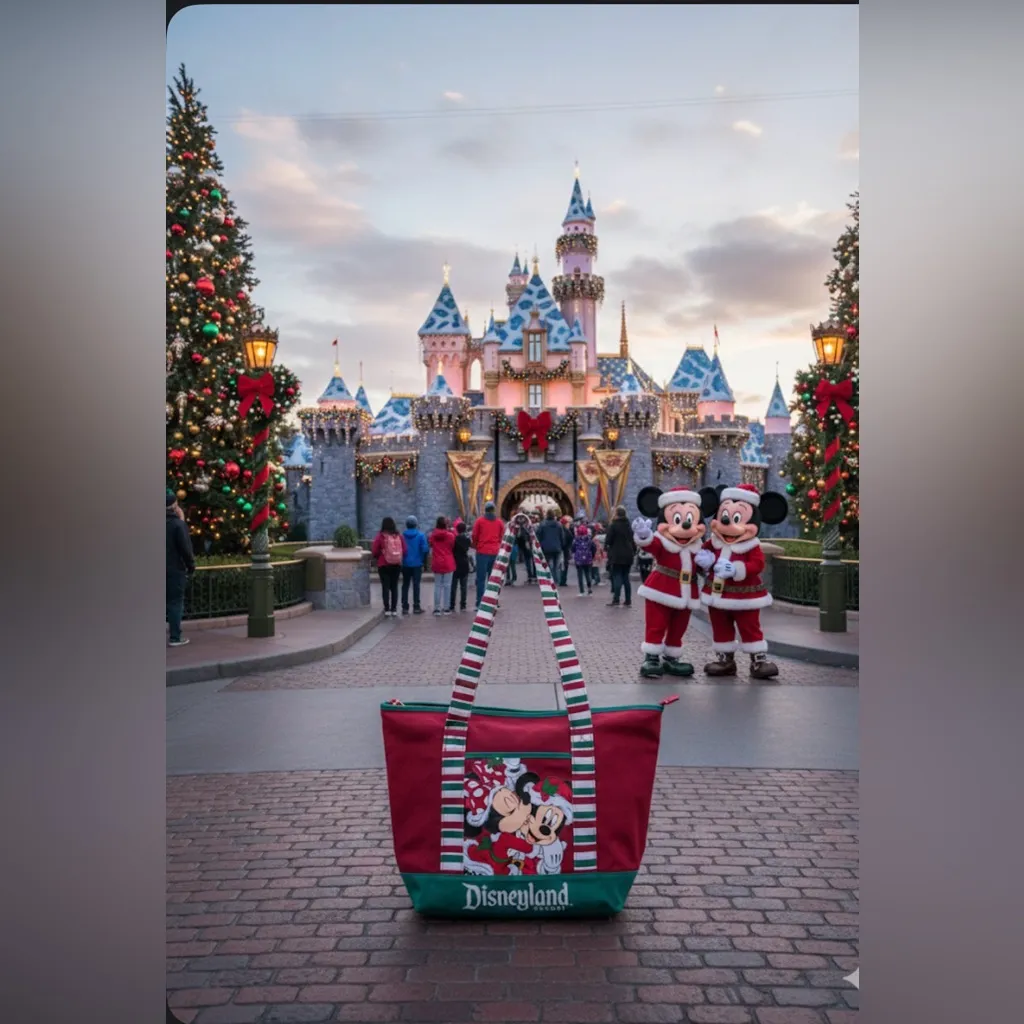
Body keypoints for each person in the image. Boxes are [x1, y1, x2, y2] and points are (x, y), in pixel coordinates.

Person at [166, 490, 195, 647]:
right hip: (174, 570)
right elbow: (185, 549)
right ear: (174, 507)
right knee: (175, 603)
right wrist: (191, 566)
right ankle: (175, 637)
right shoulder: (177, 525)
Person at [371, 516, 406, 617]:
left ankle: (387, 609)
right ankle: (394, 609)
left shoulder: (381, 536)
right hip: (396, 564)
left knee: (385, 587)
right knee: (394, 586)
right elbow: (405, 550)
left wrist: (380, 555)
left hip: (383, 564)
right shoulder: (398, 536)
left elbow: (375, 551)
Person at [603, 504, 637, 607]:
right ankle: (628, 600)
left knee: (617, 576)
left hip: (617, 554)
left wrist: (606, 548)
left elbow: (608, 540)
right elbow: (632, 540)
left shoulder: (613, 525)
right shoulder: (628, 525)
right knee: (626, 577)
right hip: (628, 554)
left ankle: (616, 599)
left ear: (616, 514)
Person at [470, 501, 504, 606]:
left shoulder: (479, 521)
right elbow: (502, 537)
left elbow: (474, 536)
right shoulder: (499, 522)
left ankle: (480, 602)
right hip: (495, 551)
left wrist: (476, 546)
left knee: (481, 578)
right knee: (493, 579)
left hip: (482, 551)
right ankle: (493, 601)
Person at [400, 515, 429, 615]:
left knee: (405, 585)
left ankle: (404, 607)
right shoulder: (421, 536)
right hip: (417, 563)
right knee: (416, 585)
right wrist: (423, 562)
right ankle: (416, 606)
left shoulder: (402, 536)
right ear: (416, 524)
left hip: (405, 563)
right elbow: (425, 549)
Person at [428, 516, 456, 616]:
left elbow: (430, 544)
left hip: (437, 562)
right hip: (448, 561)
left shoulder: (433, 535)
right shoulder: (450, 535)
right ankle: (446, 608)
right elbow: (452, 546)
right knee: (447, 586)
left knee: (437, 586)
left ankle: (437, 608)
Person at [535, 509, 565, 585]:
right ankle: (556, 580)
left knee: (547, 565)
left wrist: (539, 545)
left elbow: (538, 535)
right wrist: (562, 546)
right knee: (556, 565)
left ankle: (549, 579)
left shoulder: (542, 524)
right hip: (557, 547)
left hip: (546, 548)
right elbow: (562, 536)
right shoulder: (558, 524)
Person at [449, 521, 471, 612]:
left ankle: (452, 605)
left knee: (453, 586)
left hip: (455, 563)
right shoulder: (467, 540)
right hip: (464, 563)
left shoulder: (455, 539)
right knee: (463, 586)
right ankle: (463, 605)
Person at [571, 523, 596, 597]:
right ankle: (589, 589)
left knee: (580, 575)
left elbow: (572, 549)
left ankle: (581, 591)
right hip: (588, 559)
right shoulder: (589, 539)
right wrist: (592, 555)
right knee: (588, 574)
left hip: (578, 559)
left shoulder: (575, 540)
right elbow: (594, 548)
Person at [559, 516, 574, 586]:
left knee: (560, 565)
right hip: (565, 550)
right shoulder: (566, 531)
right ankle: (563, 581)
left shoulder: (559, 530)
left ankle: (560, 580)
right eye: (567, 523)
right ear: (565, 524)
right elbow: (570, 539)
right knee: (564, 565)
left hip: (560, 549)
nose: (569, 524)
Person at [591, 523, 606, 587]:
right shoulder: (605, 536)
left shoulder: (594, 537)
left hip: (595, 554)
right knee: (602, 568)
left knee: (595, 567)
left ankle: (596, 579)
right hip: (602, 553)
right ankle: (601, 581)